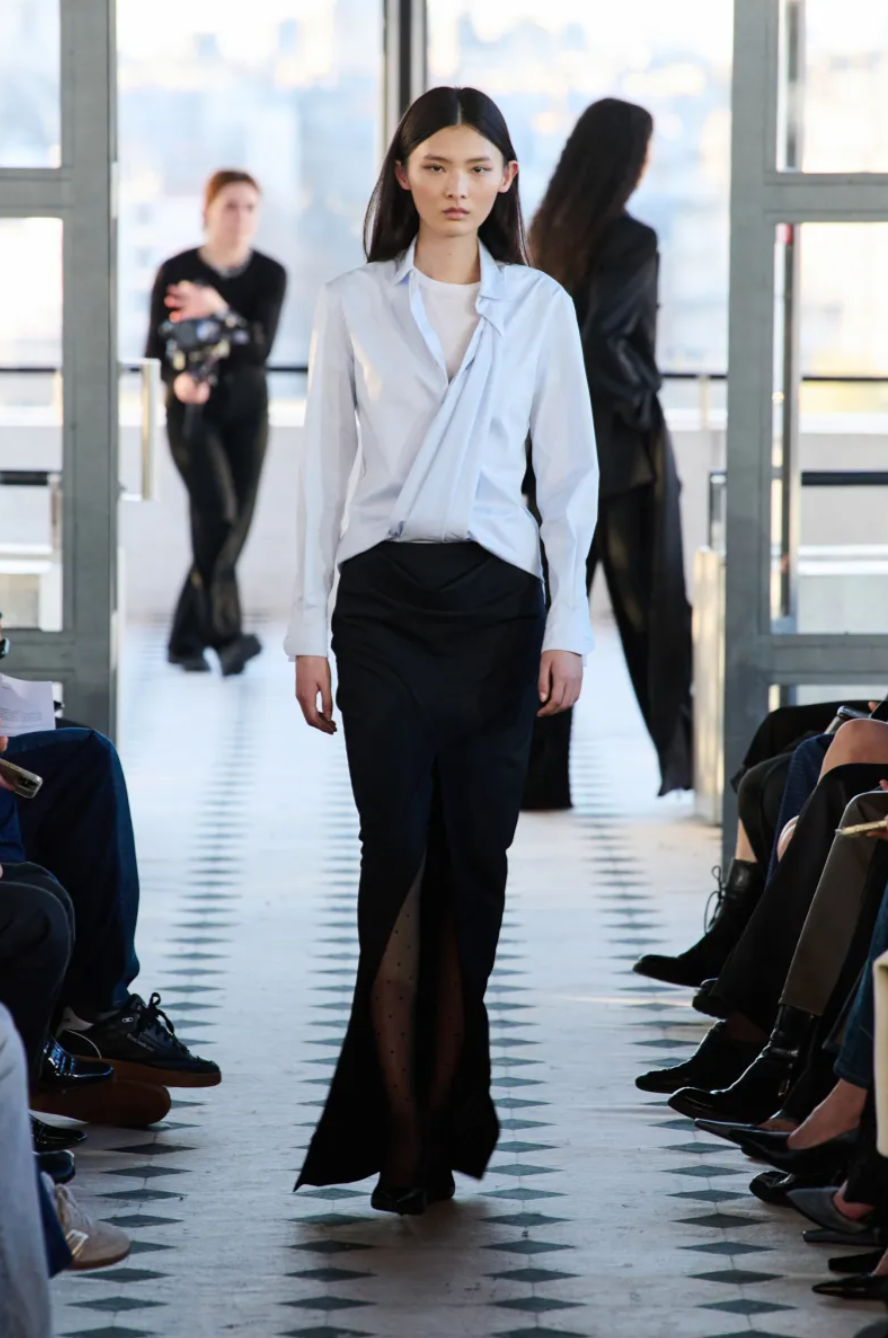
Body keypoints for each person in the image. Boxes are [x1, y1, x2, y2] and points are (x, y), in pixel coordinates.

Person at [285, 86, 598, 1215]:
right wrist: (306, 633)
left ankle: (449, 1108)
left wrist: (567, 627)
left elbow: (569, 482)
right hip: (379, 610)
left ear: (506, 179)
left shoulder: (540, 307)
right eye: (435, 166)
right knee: (396, 864)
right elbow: (322, 471)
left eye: (476, 168)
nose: (456, 187)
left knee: (475, 869)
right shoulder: (352, 302)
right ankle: (403, 1132)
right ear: (403, 175)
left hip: (500, 614)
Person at [525, 97, 692, 804]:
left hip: (549, 452)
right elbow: (603, 344)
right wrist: (643, 398)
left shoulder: (546, 231)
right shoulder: (631, 239)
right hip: (620, 455)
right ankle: (687, 764)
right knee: (654, 616)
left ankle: (537, 781)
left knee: (551, 615)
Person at [146, 169, 287, 675]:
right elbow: (155, 349)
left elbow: (258, 349)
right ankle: (227, 637)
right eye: (230, 205)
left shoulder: (270, 274)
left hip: (248, 414)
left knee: (229, 525)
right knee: (219, 517)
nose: (240, 217)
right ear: (206, 211)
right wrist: (179, 381)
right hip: (192, 414)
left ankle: (185, 640)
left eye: (250, 207)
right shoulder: (177, 269)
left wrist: (216, 308)